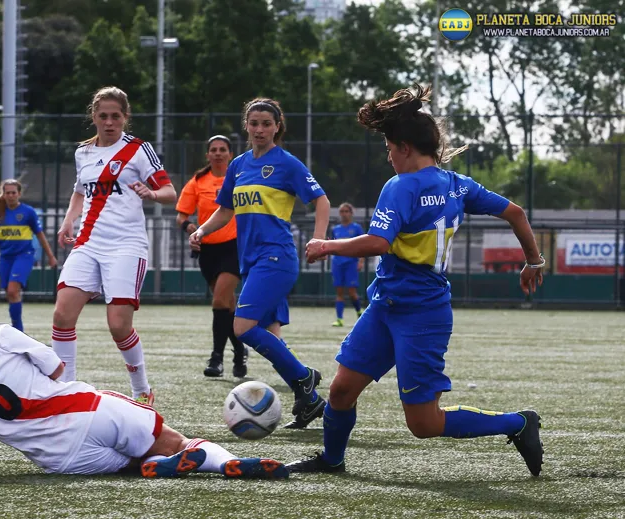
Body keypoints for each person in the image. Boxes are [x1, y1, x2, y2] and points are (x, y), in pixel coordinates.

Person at [288, 84, 544, 476]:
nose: (388, 157)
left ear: (405, 147)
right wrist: (533, 261)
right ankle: (332, 460)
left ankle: (518, 422)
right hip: (387, 306)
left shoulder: (401, 186)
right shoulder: (458, 184)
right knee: (340, 390)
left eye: (389, 149)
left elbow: (377, 242)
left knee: (423, 424)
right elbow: (517, 212)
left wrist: (327, 246)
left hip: (422, 313)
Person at [0, 283, 289, 480]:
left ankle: (153, 467)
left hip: (61, 459)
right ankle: (224, 461)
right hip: (85, 411)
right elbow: (58, 369)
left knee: (136, 465)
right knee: (175, 440)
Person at [189, 97, 331, 429]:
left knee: (242, 327)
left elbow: (321, 201)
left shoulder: (287, 163)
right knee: (269, 332)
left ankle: (304, 377)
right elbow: (225, 210)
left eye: (267, 123)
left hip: (276, 256)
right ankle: (309, 400)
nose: (260, 129)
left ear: (277, 127)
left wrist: (320, 239)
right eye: (254, 123)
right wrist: (202, 230)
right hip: (251, 260)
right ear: (246, 126)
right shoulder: (238, 165)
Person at [52, 86, 177, 407]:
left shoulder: (138, 149)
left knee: (119, 325)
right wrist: (69, 220)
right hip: (88, 243)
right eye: (103, 116)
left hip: (126, 245)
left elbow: (169, 192)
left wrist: (151, 194)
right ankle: (66, 390)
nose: (109, 122)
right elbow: (81, 191)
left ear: (125, 118)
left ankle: (142, 390)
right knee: (62, 314)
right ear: (93, 117)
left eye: (116, 116)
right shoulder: (83, 153)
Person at [176, 135, 248, 378]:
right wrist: (192, 230)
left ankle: (216, 358)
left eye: (222, 150)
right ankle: (240, 350)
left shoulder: (239, 176)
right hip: (207, 250)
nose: (218, 153)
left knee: (219, 300)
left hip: (234, 247)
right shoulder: (197, 181)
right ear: (207, 155)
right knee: (227, 305)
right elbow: (182, 217)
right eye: (213, 150)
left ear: (230, 154)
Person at [0, 179, 57, 332]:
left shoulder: (28, 212)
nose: (11, 195)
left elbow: (40, 235)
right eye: (7, 193)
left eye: (13, 192)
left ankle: (18, 331)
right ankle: (17, 328)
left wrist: (50, 256)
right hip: (6, 258)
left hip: (24, 255)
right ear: (3, 195)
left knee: (13, 290)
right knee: (11, 294)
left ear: (19, 194)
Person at [329, 202, 365, 327]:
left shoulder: (356, 228)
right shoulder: (335, 229)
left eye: (346, 211)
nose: (344, 214)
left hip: (351, 263)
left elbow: (362, 246)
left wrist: (361, 261)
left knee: (351, 292)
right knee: (339, 292)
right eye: (342, 211)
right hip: (337, 263)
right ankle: (339, 319)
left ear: (351, 213)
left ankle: (359, 312)